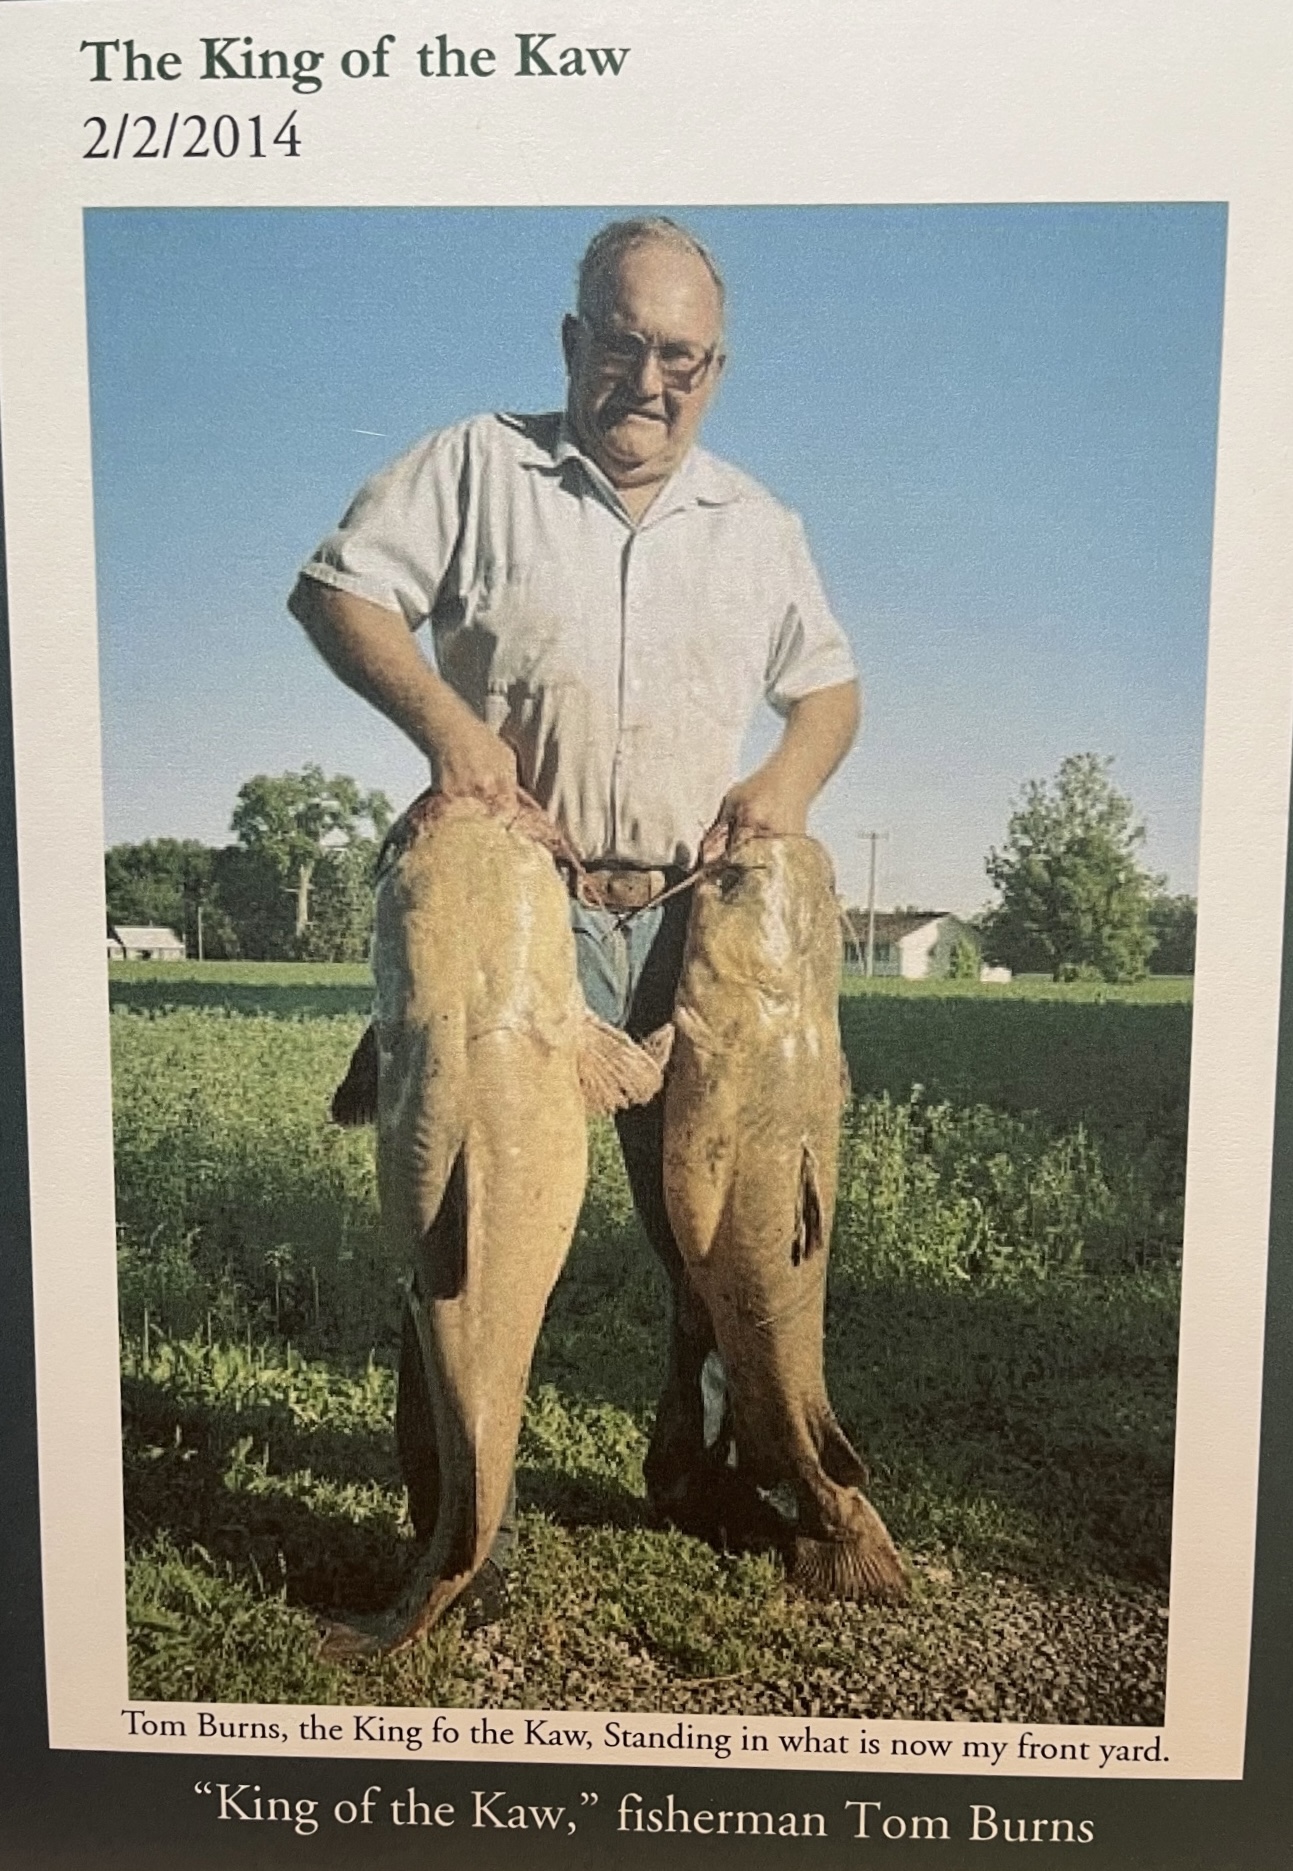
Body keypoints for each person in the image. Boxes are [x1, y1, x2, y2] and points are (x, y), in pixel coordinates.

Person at [288, 215, 860, 1603]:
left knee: (719, 1242)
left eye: (680, 357)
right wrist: (447, 729)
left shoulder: (756, 523)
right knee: (463, 1229)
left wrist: (784, 775)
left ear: (713, 368)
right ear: (572, 342)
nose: (648, 380)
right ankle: (454, 1538)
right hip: (510, 921)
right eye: (622, 344)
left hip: (687, 921)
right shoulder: (473, 465)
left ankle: (712, 1472)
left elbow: (826, 691)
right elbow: (336, 595)